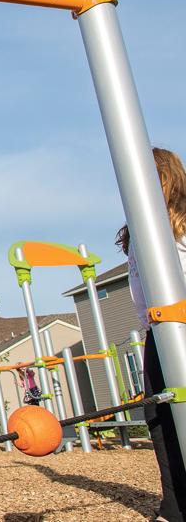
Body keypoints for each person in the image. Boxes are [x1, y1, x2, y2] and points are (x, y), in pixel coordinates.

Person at [118, 147, 186, 522]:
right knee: (159, 420)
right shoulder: (137, 231)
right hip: (156, 333)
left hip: (182, 327)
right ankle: (174, 507)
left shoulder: (182, 223)